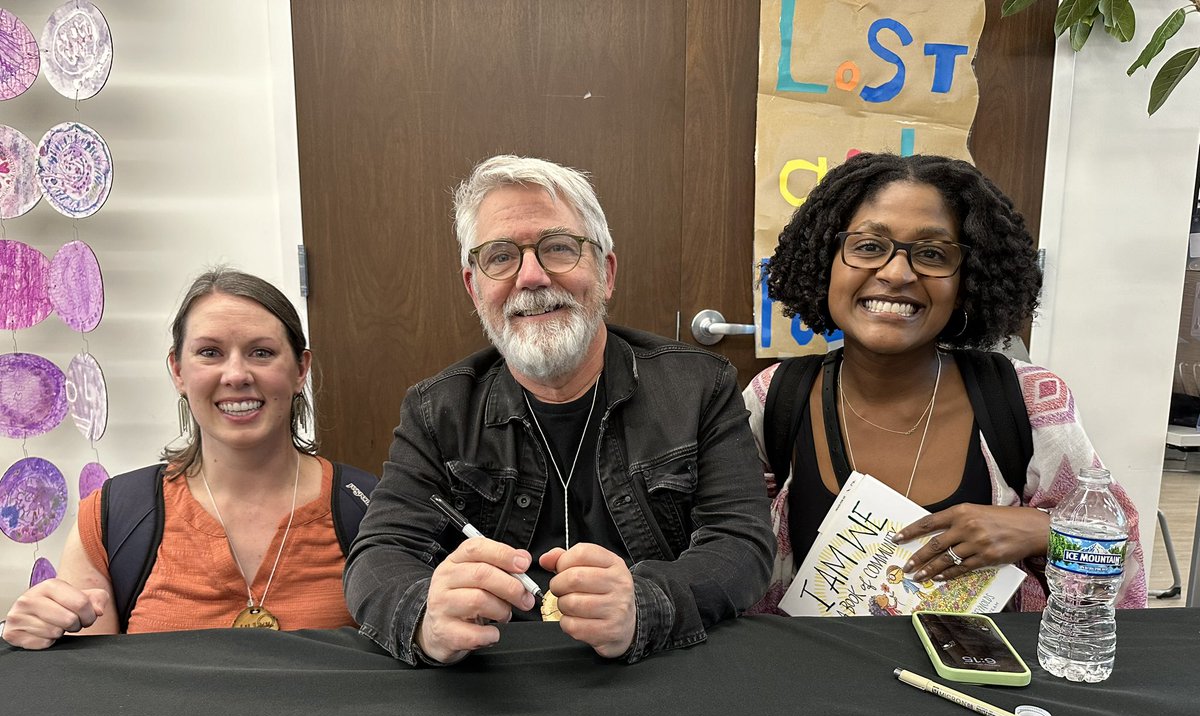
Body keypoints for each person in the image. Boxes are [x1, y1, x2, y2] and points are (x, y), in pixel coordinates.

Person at [344, 154, 774, 665]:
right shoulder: (437, 410)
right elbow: (377, 556)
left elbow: (741, 544)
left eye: (558, 248)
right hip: (497, 677)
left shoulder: (700, 385)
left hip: (658, 666)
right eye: (500, 257)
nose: (530, 276)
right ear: (473, 287)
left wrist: (646, 605)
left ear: (606, 272)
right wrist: (423, 616)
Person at [742, 152, 1146, 614]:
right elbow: (721, 546)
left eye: (933, 254)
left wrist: (1042, 532)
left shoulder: (1028, 401)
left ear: (967, 282)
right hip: (814, 679)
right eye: (869, 246)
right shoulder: (774, 398)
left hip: (981, 684)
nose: (896, 274)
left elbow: (1120, 551)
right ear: (826, 262)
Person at [1, 269, 375, 649]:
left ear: (300, 370)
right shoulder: (110, 519)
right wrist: (38, 639)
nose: (236, 374)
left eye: (261, 352)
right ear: (178, 371)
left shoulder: (375, 511)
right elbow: (91, 689)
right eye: (209, 352)